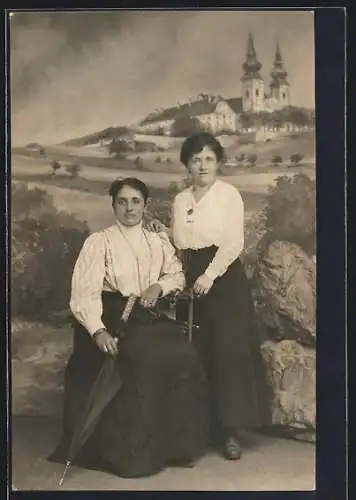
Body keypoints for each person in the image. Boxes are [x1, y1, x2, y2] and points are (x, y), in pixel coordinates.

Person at [49, 177, 209, 478]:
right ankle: (135, 455)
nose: (129, 208)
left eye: (135, 201)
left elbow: (177, 275)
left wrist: (158, 287)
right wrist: (97, 331)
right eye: (122, 201)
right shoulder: (100, 242)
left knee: (182, 354)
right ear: (113, 206)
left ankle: (174, 447)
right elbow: (85, 293)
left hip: (145, 313)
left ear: (145, 205)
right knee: (140, 360)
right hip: (111, 314)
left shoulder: (156, 241)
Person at [171, 132, 271, 460]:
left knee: (227, 352)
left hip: (223, 278)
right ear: (187, 164)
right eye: (195, 159)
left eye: (209, 159)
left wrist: (208, 276)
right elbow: (179, 243)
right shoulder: (181, 200)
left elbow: (233, 243)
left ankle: (230, 432)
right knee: (198, 352)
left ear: (219, 163)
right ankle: (203, 429)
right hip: (191, 280)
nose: (202, 165)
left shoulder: (229, 195)